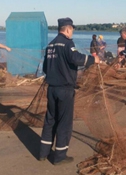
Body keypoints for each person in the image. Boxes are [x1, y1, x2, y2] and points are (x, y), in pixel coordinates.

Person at [39, 17, 100, 165]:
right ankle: (60, 156)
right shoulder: (67, 43)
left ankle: (43, 153)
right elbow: (76, 58)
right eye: (72, 29)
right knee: (64, 122)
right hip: (65, 90)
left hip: (52, 89)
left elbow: (45, 68)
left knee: (50, 120)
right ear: (67, 29)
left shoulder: (51, 45)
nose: (72, 32)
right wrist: (94, 60)